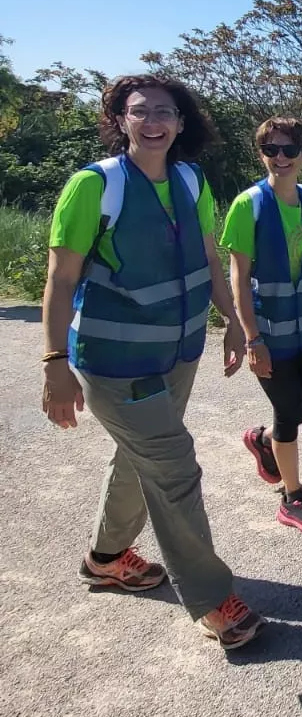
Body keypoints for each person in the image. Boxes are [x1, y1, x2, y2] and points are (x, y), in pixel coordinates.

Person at [40, 74, 264, 650]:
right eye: (139, 111)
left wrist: (232, 322)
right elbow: (61, 279)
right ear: (120, 120)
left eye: (165, 111)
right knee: (174, 466)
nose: (153, 121)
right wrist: (54, 363)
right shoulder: (95, 186)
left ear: (182, 122)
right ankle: (213, 600)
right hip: (115, 363)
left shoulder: (191, 181)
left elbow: (210, 260)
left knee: (139, 458)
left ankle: (107, 558)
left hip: (176, 355)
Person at [221, 116, 302, 535]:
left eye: (289, 150)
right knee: (290, 409)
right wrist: (250, 337)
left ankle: (263, 440)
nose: (280, 157)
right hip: (270, 333)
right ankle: (293, 498)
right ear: (261, 154)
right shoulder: (248, 205)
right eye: (270, 149)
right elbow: (238, 276)